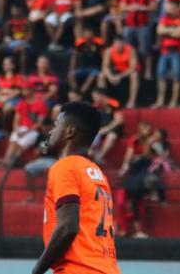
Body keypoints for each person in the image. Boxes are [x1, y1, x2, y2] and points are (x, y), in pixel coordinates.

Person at [31, 102, 120, 274]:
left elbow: (68, 227)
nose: (50, 131)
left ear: (70, 131)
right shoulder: (98, 173)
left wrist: (36, 271)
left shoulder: (65, 167)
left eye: (56, 125)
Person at [98, 35, 140, 108]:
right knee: (101, 75)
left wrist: (120, 76)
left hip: (127, 71)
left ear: (124, 43)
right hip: (116, 71)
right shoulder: (109, 50)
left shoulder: (130, 50)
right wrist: (110, 76)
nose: (119, 46)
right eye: (117, 44)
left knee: (134, 75)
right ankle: (103, 101)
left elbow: (133, 68)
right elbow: (105, 67)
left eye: (121, 44)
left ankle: (132, 101)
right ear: (114, 44)